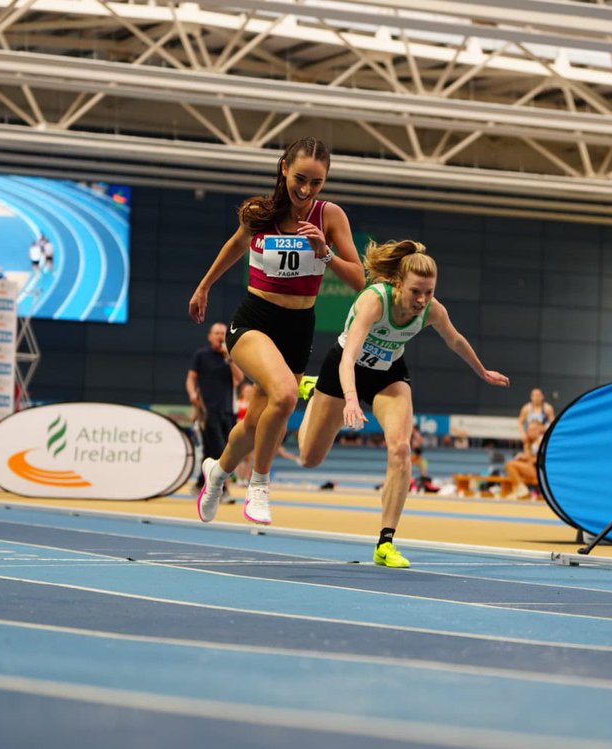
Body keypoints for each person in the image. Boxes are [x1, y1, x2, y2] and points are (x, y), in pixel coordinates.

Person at [296, 240, 509, 567]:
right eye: (416, 292)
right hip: (344, 369)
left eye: (429, 292)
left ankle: (385, 542)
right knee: (310, 458)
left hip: (388, 374)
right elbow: (349, 356)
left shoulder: (432, 310)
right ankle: (312, 393)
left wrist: (482, 371)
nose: (422, 301)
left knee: (400, 449)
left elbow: (455, 340)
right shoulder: (374, 302)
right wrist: (350, 400)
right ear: (398, 284)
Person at [189, 137, 365, 525]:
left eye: (316, 183)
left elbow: (358, 280)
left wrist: (326, 253)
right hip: (255, 319)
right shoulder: (260, 211)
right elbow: (236, 245)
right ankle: (260, 484)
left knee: (254, 424)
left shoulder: (329, 216)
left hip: (298, 329)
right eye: (300, 178)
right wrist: (204, 286)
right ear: (284, 167)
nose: (305, 190)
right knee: (285, 396)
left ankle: (217, 473)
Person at [186, 322, 243, 490]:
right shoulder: (201, 355)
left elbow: (238, 380)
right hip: (208, 410)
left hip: (227, 410)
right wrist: (192, 394)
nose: (220, 336)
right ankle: (221, 489)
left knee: (212, 450)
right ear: (210, 336)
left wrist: (230, 358)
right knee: (219, 449)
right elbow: (191, 378)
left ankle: (199, 484)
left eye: (223, 333)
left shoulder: (232, 356)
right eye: (216, 333)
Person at [505, 419, 546, 500]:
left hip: (539, 470)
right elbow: (529, 457)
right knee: (514, 465)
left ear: (539, 430)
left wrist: (528, 458)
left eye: (534, 429)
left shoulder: (541, 440)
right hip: (531, 468)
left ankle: (522, 490)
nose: (531, 432)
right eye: (529, 429)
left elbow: (542, 459)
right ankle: (519, 491)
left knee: (510, 464)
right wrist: (523, 456)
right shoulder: (528, 442)